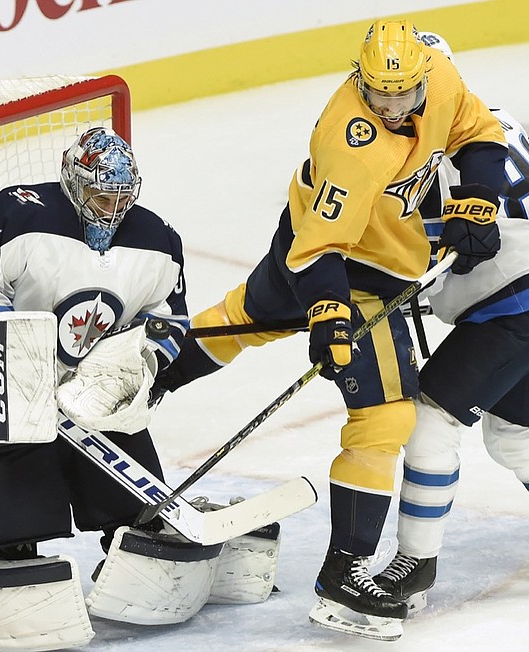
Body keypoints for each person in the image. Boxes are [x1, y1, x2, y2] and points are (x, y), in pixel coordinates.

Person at [152, 19, 507, 639]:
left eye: (402, 94)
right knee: (385, 417)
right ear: (358, 78)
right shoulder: (350, 141)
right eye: (377, 94)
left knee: (245, 317)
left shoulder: (440, 76)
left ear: (424, 74)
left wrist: (476, 199)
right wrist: (330, 318)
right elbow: (322, 252)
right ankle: (345, 575)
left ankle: (135, 376)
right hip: (339, 264)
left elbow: (479, 132)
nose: (391, 107)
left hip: (310, 241)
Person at [373, 32, 529, 615]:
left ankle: (414, 565)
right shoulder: (499, 121)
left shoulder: (418, 153)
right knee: (516, 435)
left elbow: (421, 259)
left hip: (516, 308)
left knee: (431, 421)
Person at [0, 126, 189, 561]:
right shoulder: (15, 213)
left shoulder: (158, 239)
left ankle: (134, 559)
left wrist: (133, 365)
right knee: (15, 535)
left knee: (140, 520)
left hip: (98, 401)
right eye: (103, 198)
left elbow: (169, 321)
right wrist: (20, 349)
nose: (114, 210)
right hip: (11, 399)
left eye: (123, 198)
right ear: (74, 180)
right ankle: (9, 551)